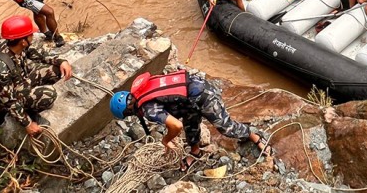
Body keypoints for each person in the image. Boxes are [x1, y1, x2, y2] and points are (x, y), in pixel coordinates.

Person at [109, 70, 271, 171]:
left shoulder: (148, 110)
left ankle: (253, 136)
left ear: (128, 113)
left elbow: (175, 125)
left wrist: (166, 140)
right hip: (190, 95)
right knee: (190, 124)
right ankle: (195, 152)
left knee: (225, 127)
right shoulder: (141, 90)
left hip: (203, 95)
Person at [0, 15, 73, 136]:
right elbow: (9, 102)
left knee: (56, 70)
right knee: (50, 94)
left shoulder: (17, 46)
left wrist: (61, 61)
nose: (32, 37)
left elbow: (41, 57)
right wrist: (27, 123)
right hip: (8, 99)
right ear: (23, 41)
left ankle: (31, 101)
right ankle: (31, 112)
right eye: (30, 35)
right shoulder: (0, 69)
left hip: (21, 83)